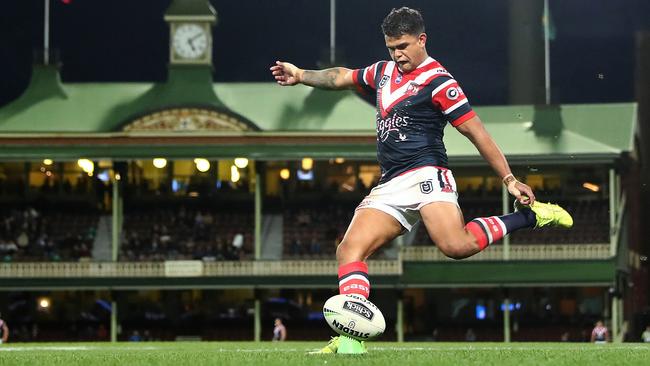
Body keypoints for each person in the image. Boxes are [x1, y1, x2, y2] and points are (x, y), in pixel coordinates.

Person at [271, 7, 572, 354]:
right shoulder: (383, 72)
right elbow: (341, 76)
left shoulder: (440, 81)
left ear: (421, 40)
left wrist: (509, 178)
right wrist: (301, 74)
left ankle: (531, 217)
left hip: (428, 174)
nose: (397, 54)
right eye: (391, 48)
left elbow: (477, 132)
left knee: (455, 246)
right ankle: (351, 341)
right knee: (349, 249)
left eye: (402, 46)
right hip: (390, 183)